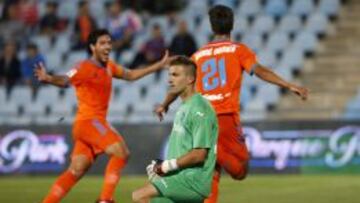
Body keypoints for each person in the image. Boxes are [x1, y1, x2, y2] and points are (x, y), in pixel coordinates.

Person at [155, 5, 309, 203]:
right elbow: (260, 70)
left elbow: (180, 84)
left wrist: (164, 104)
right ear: (232, 25)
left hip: (200, 120)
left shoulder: (197, 56)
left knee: (210, 175)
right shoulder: (238, 50)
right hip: (225, 117)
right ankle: (215, 151)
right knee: (241, 171)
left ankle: (211, 153)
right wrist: (288, 85)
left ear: (211, 27)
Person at [35, 29, 173, 203]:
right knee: (121, 152)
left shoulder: (109, 67)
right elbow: (65, 80)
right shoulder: (83, 67)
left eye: (109, 42)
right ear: (93, 47)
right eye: (103, 43)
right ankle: (106, 200)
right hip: (89, 122)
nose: (108, 46)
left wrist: (158, 66)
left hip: (88, 125)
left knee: (76, 170)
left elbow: (130, 75)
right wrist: (48, 78)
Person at [132, 56, 218, 203]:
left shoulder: (199, 110)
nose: (170, 80)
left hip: (192, 181)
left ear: (190, 79)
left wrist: (165, 166)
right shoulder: (185, 106)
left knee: (140, 195)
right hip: (179, 176)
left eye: (175, 75)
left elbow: (199, 154)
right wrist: (164, 170)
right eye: (170, 75)